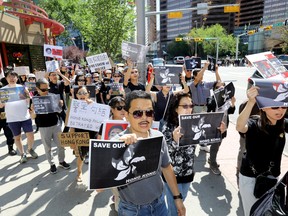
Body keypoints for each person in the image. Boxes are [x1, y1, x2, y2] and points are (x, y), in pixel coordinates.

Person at [113, 90, 186, 216]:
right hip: (132, 211)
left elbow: (167, 168)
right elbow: (99, 187)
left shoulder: (158, 136)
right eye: (137, 113)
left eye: (149, 112)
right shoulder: (117, 142)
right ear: (127, 114)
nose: (144, 117)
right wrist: (119, 149)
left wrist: (177, 198)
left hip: (160, 205)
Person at [161, 92, 226, 215]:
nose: (189, 109)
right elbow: (165, 155)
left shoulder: (194, 122)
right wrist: (175, 141)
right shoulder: (168, 126)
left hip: (188, 173)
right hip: (173, 177)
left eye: (191, 106)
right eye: (184, 106)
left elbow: (207, 137)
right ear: (176, 108)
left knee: (181, 204)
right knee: (175, 209)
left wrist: (218, 131)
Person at [236, 86, 288, 216]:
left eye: (283, 106)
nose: (280, 110)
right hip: (251, 178)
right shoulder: (254, 123)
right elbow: (240, 126)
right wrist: (251, 102)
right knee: (253, 212)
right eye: (275, 107)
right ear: (263, 107)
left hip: (272, 178)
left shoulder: (282, 123)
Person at [30, 78, 70, 173]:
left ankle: (61, 161)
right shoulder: (34, 100)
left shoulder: (53, 96)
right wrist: (33, 110)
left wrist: (60, 105)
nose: (46, 91)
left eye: (47, 89)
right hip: (43, 127)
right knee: (47, 147)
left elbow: (60, 111)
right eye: (43, 90)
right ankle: (51, 164)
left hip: (56, 124)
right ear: (37, 88)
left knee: (61, 145)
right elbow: (32, 117)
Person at [0, 71, 37, 163]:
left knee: (31, 136)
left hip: (25, 116)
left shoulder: (22, 88)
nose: (12, 78)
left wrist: (27, 94)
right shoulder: (3, 90)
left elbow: (28, 102)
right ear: (6, 78)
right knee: (17, 137)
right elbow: (1, 105)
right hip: (12, 118)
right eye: (9, 77)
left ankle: (30, 149)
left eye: (14, 77)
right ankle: (22, 154)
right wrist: (3, 99)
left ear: (17, 78)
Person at [190, 62, 221, 153]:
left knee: (203, 127)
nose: (202, 75)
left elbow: (218, 83)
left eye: (203, 74)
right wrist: (204, 68)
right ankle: (192, 145)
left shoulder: (206, 84)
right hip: (197, 108)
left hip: (205, 108)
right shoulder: (193, 85)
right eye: (200, 74)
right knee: (195, 127)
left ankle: (203, 145)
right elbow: (198, 78)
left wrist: (216, 72)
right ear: (195, 76)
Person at [206, 82, 236, 175]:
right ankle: (213, 164)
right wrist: (217, 98)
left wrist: (233, 103)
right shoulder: (211, 99)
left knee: (218, 144)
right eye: (218, 87)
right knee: (215, 145)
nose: (220, 88)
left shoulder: (227, 100)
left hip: (224, 126)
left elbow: (231, 111)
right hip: (215, 126)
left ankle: (211, 159)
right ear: (214, 89)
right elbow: (209, 107)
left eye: (223, 87)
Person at [70, 86, 96, 182]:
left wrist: (92, 106)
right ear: (76, 95)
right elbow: (71, 124)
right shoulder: (73, 107)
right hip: (80, 134)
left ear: (88, 95)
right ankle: (79, 172)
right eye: (80, 93)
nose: (82, 95)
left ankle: (95, 174)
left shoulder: (94, 105)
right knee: (81, 156)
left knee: (95, 156)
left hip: (93, 135)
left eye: (84, 93)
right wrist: (72, 140)